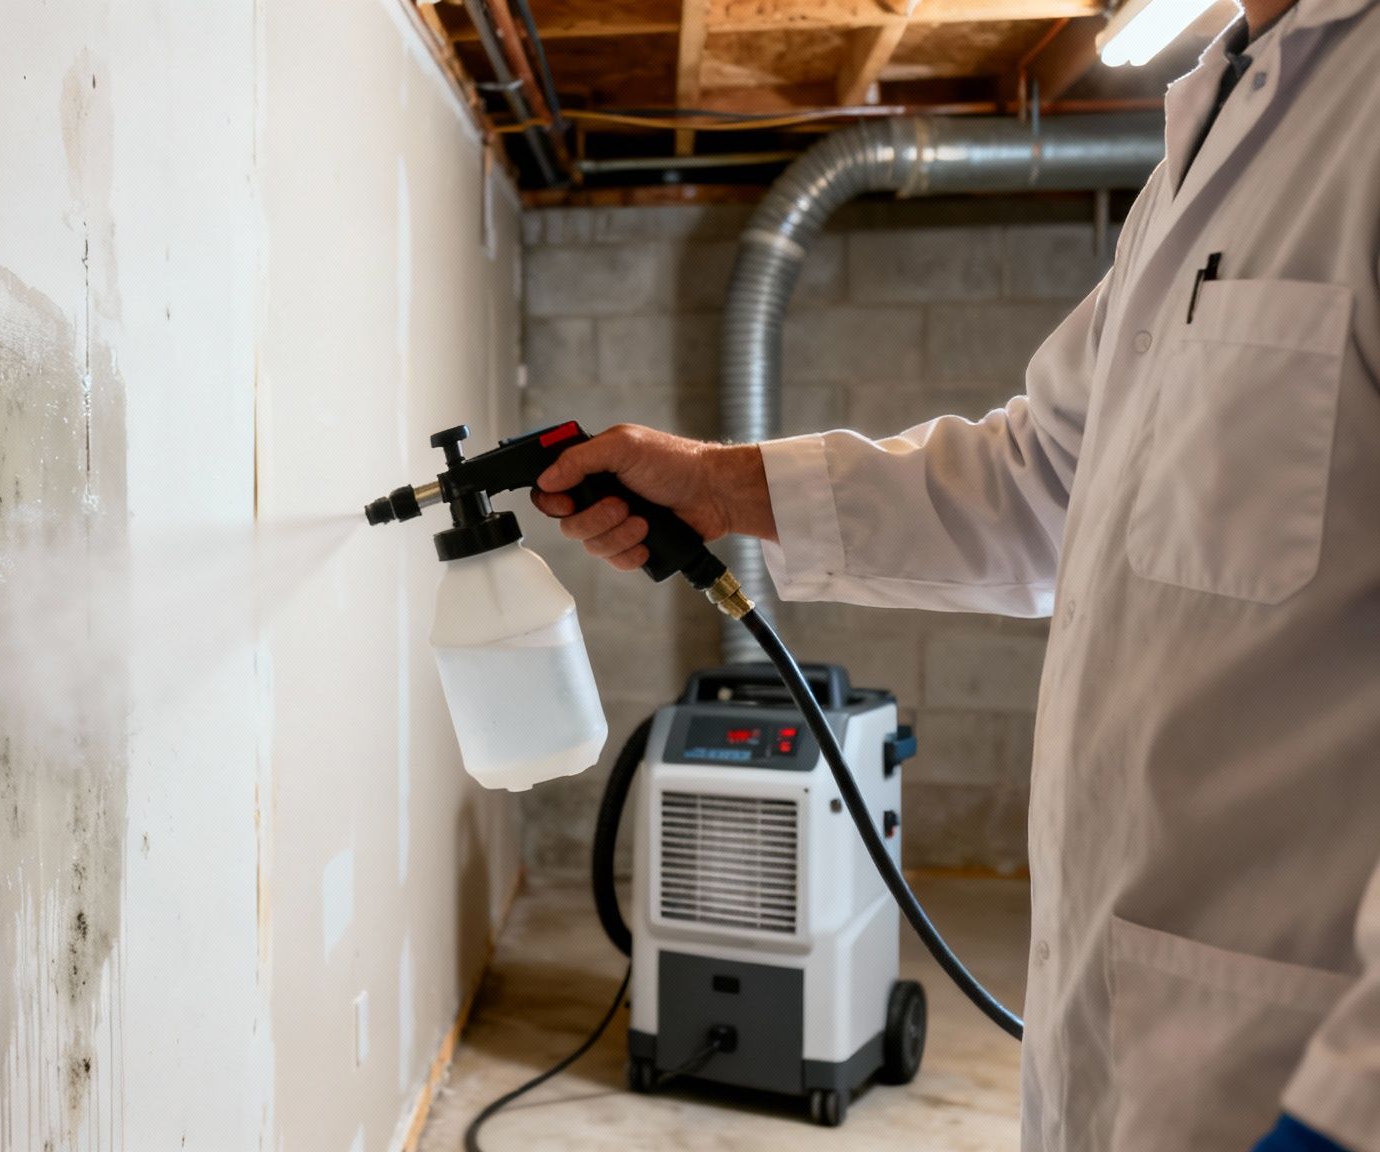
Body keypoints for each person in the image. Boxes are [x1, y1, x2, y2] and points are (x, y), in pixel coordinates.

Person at [530, 1, 1380, 1149]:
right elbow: (1044, 478)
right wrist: (722, 487)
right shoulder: (1219, 119)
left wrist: (1338, 1116)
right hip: (1131, 1055)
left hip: (1298, 1079)